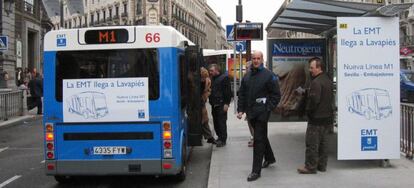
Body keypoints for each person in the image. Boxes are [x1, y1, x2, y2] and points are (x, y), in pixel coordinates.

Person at [237, 51, 281, 182]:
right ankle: (269, 158)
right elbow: (242, 94)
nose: (256, 60)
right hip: (251, 114)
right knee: (260, 136)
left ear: (262, 59)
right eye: (254, 58)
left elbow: (276, 95)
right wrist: (241, 110)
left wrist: (268, 108)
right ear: (252, 60)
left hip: (262, 113)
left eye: (258, 58)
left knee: (258, 140)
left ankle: (256, 171)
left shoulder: (269, 75)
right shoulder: (247, 76)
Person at [297, 57, 334, 174]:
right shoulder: (327, 80)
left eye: (312, 68)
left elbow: (314, 100)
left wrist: (308, 112)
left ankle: (310, 167)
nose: (310, 70)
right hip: (327, 118)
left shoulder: (316, 82)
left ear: (319, 68)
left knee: (312, 144)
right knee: (324, 144)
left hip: (316, 119)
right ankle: (322, 166)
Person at [208, 64, 232, 147]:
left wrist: (226, 103)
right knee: (216, 122)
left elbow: (228, 92)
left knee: (221, 122)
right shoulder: (213, 78)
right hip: (214, 104)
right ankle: (219, 137)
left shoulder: (224, 78)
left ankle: (223, 140)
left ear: (216, 70)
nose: (210, 72)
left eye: (211, 70)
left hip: (221, 104)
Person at [200, 67, 216, 144]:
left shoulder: (206, 81)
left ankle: (209, 137)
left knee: (204, 120)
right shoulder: (205, 81)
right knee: (204, 120)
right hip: (199, 102)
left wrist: (205, 95)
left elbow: (208, 90)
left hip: (201, 102)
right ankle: (209, 137)